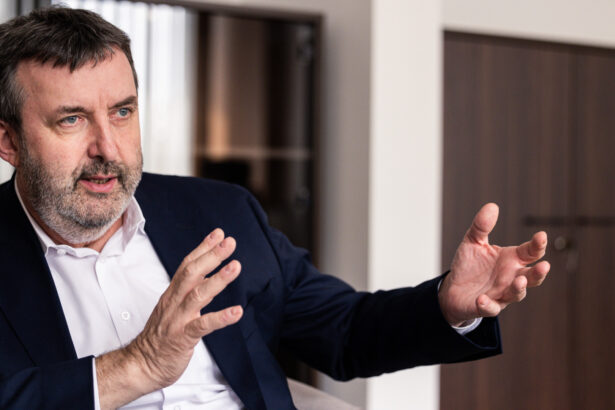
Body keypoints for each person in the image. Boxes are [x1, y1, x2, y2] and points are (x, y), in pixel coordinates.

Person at [0, 6, 550, 410]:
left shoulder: (217, 211)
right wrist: (136, 366)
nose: (108, 148)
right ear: (9, 141)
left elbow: (345, 331)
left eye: (122, 112)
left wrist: (448, 305)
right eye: (71, 119)